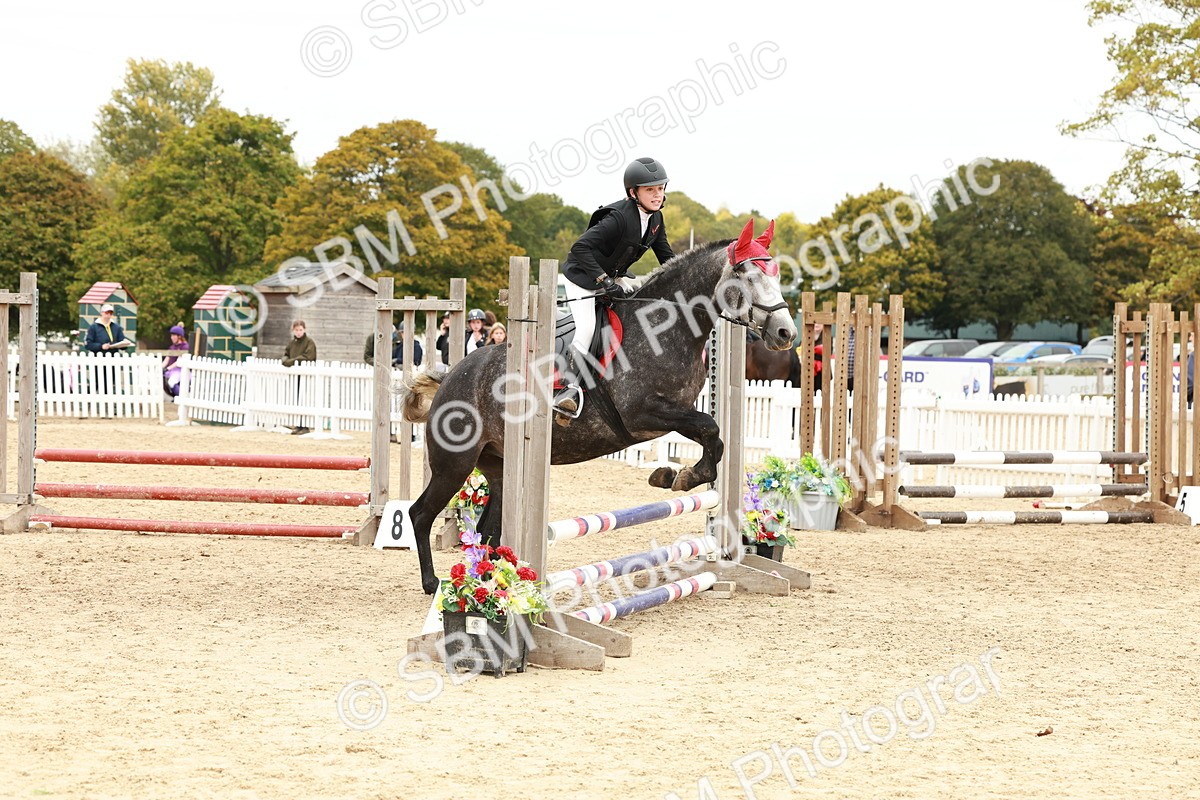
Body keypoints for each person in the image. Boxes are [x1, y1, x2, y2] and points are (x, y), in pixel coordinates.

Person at [554, 156, 675, 417]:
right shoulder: (618, 218)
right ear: (633, 193)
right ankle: (568, 389)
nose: (657, 195)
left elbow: (667, 258)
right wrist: (605, 281)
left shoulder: (656, 219)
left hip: (613, 276)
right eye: (650, 190)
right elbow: (580, 248)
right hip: (583, 276)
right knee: (587, 328)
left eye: (660, 188)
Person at [283, 320, 317, 435]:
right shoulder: (292, 343)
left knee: (304, 400)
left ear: (304, 330)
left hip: (305, 376)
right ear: (293, 330)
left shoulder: (309, 342)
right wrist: (285, 360)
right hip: (294, 376)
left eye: (300, 330)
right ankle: (299, 425)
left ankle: (305, 426)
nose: (298, 332)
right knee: (296, 400)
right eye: (296, 330)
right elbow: (286, 354)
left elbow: (308, 356)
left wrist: (291, 361)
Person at [163, 324, 188, 397]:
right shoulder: (172, 347)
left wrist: (168, 368)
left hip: (181, 370)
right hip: (172, 371)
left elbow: (179, 361)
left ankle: (182, 397)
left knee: (172, 382)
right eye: (171, 335)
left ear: (179, 336)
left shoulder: (185, 346)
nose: (172, 337)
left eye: (174, 335)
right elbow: (166, 361)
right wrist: (159, 367)